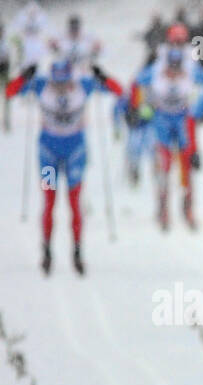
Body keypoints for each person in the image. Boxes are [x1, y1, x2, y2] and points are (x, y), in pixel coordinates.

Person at [6, 58, 123, 274]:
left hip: (74, 154)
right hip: (48, 154)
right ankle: (47, 250)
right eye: (57, 84)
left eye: (65, 83)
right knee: (49, 201)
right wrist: (24, 76)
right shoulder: (41, 85)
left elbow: (119, 91)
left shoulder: (83, 86)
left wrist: (103, 77)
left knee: (74, 202)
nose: (61, 88)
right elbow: (10, 92)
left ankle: (77, 251)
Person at [134, 28, 203, 230]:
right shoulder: (159, 62)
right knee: (164, 165)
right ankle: (162, 209)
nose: (175, 70)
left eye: (181, 41)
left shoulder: (192, 61)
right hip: (162, 118)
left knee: (187, 165)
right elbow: (137, 82)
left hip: (183, 118)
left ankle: (187, 208)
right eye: (172, 67)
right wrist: (137, 107)